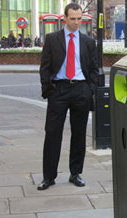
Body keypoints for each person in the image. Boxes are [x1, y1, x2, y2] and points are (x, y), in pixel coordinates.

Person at [38, 2, 98, 190]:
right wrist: (49, 89)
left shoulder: (88, 42)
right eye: (73, 19)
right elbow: (45, 67)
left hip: (81, 90)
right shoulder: (52, 39)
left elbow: (95, 70)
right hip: (59, 90)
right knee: (53, 133)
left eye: (79, 19)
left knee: (79, 134)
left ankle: (75, 173)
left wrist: (90, 90)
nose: (76, 22)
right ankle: (48, 177)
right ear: (65, 18)